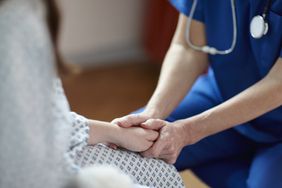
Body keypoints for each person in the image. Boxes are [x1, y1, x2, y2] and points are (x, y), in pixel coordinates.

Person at [0, 0, 184, 187]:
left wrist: (116, 132)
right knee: (159, 173)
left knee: (160, 171)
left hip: (50, 152)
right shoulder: (17, 20)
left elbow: (39, 121)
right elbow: (27, 167)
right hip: (39, 172)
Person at [112, 0, 282, 187]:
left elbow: (278, 84)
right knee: (122, 152)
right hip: (219, 96)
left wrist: (187, 132)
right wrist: (151, 115)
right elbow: (188, 47)